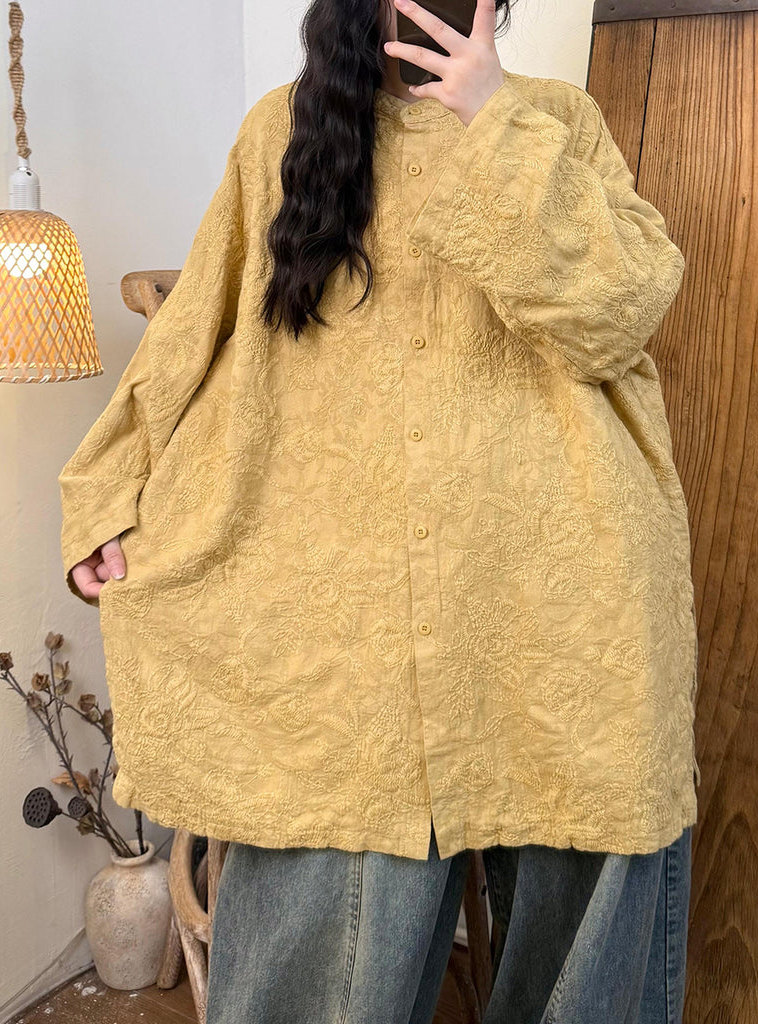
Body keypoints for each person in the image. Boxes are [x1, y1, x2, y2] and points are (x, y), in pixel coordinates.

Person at [59, 0, 698, 1020]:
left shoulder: (555, 120)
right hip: (340, 619)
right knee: (320, 907)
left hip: (563, 598)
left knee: (594, 877)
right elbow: (190, 331)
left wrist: (491, 118)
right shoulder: (280, 134)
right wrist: (103, 492)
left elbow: (619, 312)